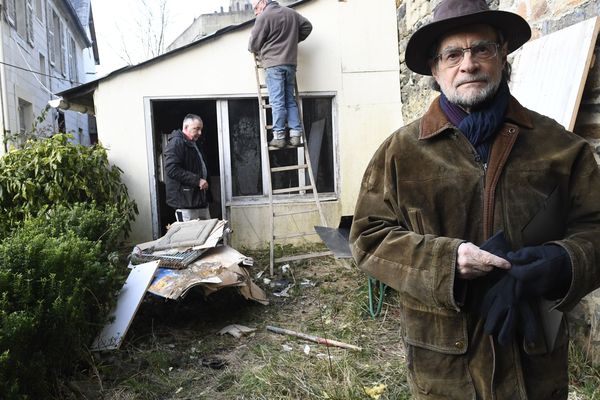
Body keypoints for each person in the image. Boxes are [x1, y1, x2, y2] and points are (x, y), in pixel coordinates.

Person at [349, 0, 600, 398]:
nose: (468, 64)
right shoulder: (400, 153)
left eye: (481, 49)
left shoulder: (560, 147)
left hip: (533, 359)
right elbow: (368, 237)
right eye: (453, 54)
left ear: (502, 55)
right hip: (445, 366)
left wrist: (563, 261)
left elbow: (595, 227)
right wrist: (447, 261)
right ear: (435, 69)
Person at [248, 0, 312, 148]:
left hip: (273, 64)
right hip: (290, 63)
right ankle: (296, 135)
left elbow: (253, 45)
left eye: (256, 8)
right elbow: (307, 27)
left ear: (263, 2)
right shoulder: (291, 13)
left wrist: (263, 46)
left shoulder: (264, 17)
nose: (256, 12)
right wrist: (292, 41)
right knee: (290, 100)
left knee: (277, 101)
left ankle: (279, 136)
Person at [164, 114, 211, 222]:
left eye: (201, 129)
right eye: (196, 129)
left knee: (206, 235)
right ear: (185, 127)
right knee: (189, 237)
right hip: (185, 203)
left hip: (198, 201)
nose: (200, 133)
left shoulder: (194, 144)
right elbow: (171, 169)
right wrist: (197, 180)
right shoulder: (176, 143)